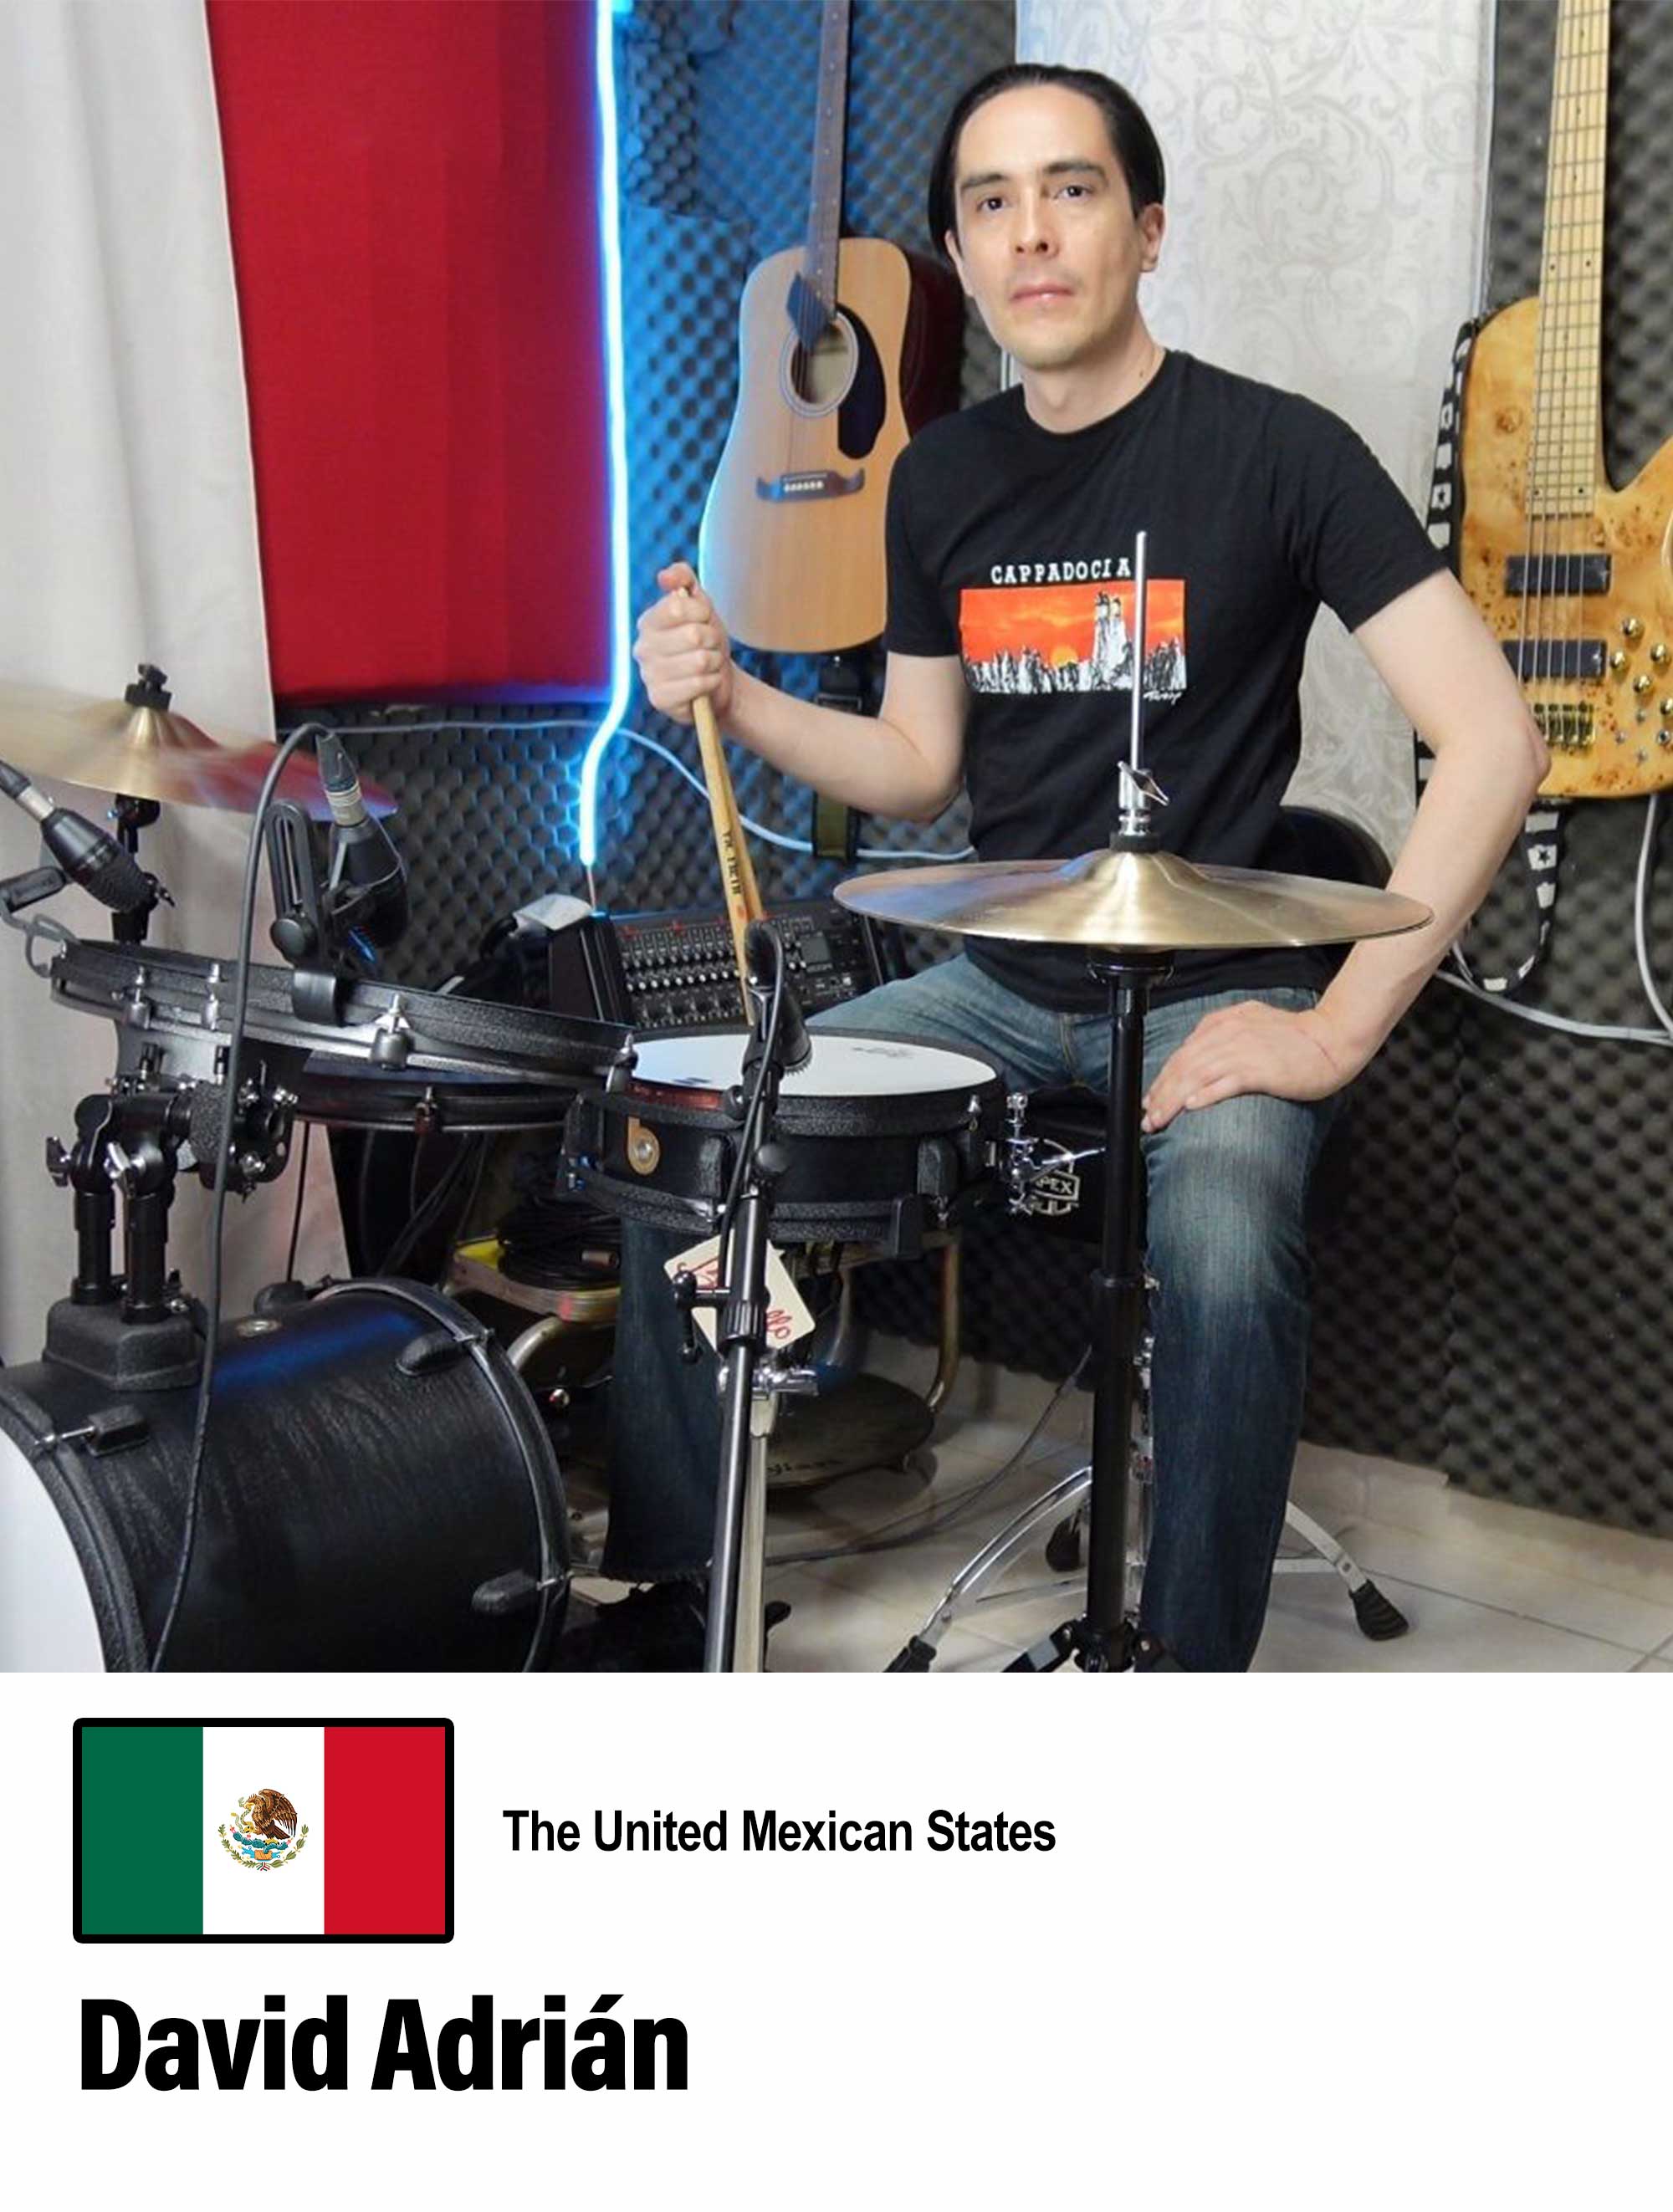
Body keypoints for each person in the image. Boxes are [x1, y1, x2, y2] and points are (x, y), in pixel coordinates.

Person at [588, 62, 1544, 1671]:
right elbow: (920, 761)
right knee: (697, 1138)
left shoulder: (1282, 453)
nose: (1031, 232)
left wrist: (1331, 1033)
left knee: (1224, 1244)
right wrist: (734, 696)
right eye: (991, 202)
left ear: (1147, 229)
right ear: (963, 255)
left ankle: (1182, 1679)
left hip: (1218, 988)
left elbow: (1495, 742)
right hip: (1004, 984)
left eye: (1072, 189)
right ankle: (682, 1610)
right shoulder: (940, 479)